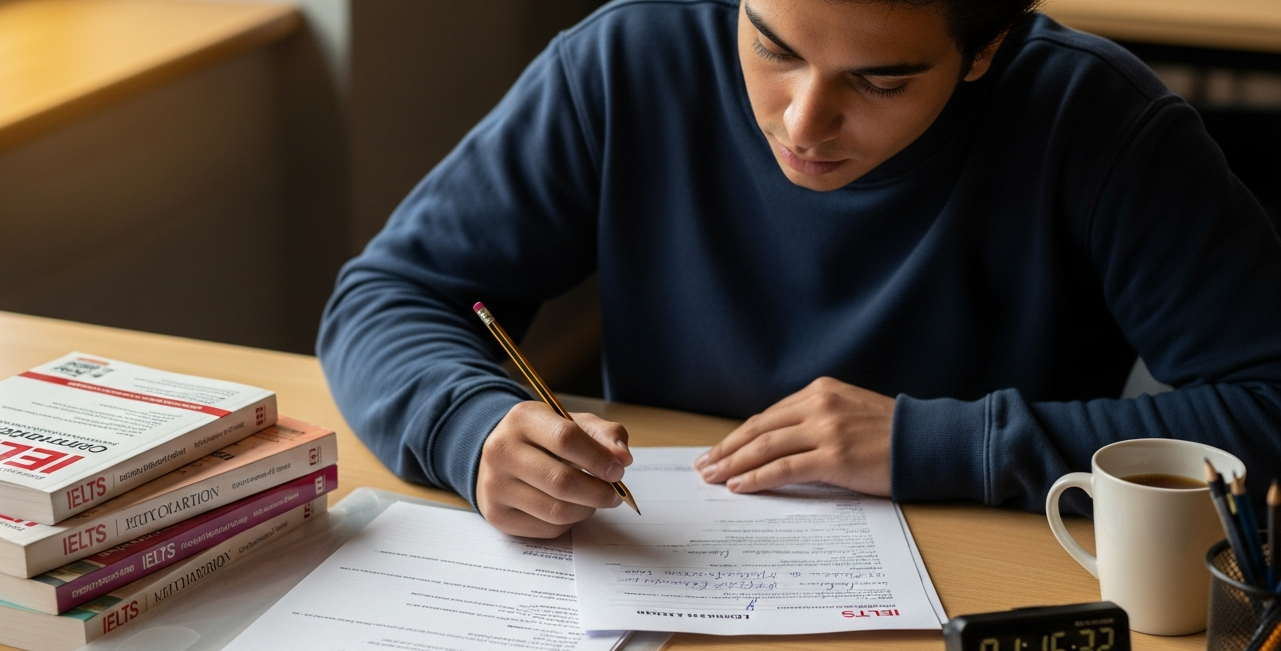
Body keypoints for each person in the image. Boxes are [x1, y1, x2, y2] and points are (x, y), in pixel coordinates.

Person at [318, 0, 1281, 537]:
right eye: (772, 48)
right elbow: (389, 296)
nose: (801, 122)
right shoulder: (625, 62)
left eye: (880, 79)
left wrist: (944, 444)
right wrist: (471, 426)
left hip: (987, 594)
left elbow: (1267, 403)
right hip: (661, 580)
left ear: (986, 49)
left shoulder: (1100, 124)